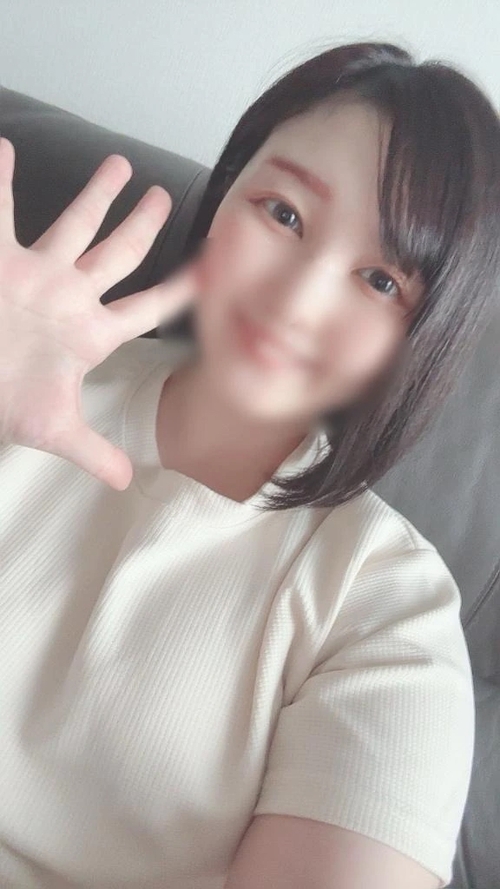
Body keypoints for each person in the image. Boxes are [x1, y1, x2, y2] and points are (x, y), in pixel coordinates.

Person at [0, 39, 499, 889]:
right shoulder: (23, 359)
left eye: (381, 281)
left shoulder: (387, 614)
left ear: (426, 339)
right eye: (285, 215)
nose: (296, 299)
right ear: (226, 192)